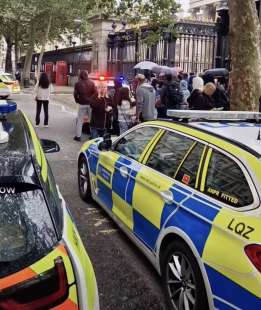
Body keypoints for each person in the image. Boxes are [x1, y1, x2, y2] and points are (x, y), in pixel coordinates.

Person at [73, 70, 96, 142]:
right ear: (87, 75)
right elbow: (95, 93)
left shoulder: (77, 84)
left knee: (80, 120)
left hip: (82, 104)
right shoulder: (92, 83)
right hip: (90, 104)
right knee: (91, 120)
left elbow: (75, 94)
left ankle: (78, 136)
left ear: (80, 75)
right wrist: (92, 99)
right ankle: (93, 136)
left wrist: (77, 100)